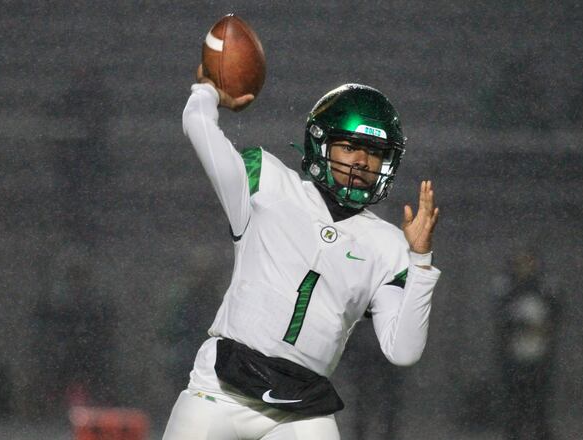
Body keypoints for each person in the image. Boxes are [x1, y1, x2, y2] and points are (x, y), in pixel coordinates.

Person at [161, 65, 441, 440]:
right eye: (350, 145)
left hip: (302, 411)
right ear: (320, 143)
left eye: (374, 152)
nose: (361, 161)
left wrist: (420, 261)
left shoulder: (388, 245)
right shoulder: (267, 181)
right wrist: (209, 91)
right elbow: (199, 126)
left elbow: (403, 351)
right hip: (220, 390)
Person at [493, 249, 561, 440]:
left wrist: (542, 328)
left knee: (539, 404)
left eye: (529, 262)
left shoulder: (545, 287)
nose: (525, 267)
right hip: (513, 357)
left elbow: (555, 315)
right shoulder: (506, 288)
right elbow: (502, 321)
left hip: (539, 355)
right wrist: (522, 327)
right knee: (515, 404)